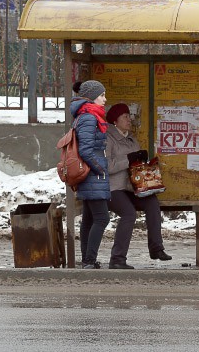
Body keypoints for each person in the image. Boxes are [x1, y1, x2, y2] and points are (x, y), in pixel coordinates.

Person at [105, 103, 172, 269]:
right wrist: (129, 159)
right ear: (115, 121)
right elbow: (106, 166)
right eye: (125, 117)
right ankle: (117, 259)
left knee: (152, 203)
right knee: (129, 214)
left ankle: (156, 248)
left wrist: (145, 164)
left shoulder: (131, 140)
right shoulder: (107, 138)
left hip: (130, 188)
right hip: (112, 189)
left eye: (129, 116)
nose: (129, 119)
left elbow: (134, 167)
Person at [70, 80, 110, 269]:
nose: (105, 98)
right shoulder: (89, 117)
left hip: (91, 175)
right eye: (102, 95)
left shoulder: (88, 115)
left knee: (89, 218)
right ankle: (89, 259)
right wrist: (99, 169)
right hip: (93, 174)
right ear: (93, 97)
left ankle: (87, 259)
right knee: (102, 218)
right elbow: (86, 150)